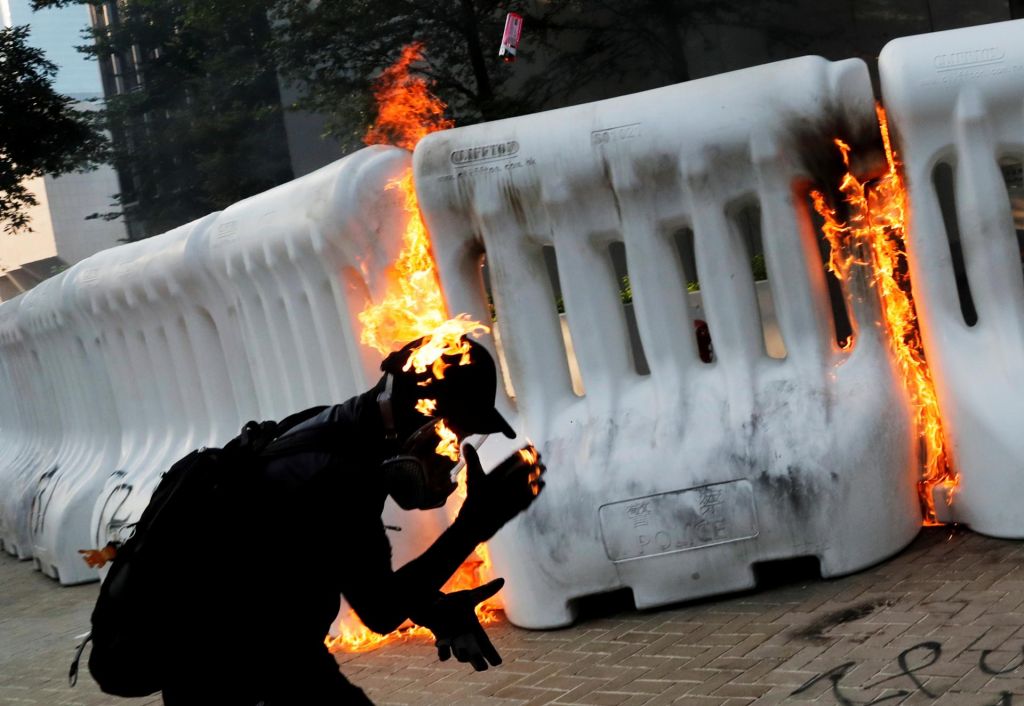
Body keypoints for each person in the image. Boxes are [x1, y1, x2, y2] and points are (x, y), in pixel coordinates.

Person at [158, 334, 544, 705]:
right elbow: (382, 611)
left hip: (267, 655)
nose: (449, 458)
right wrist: (474, 524)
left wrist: (433, 608)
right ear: (421, 416)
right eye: (449, 436)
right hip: (231, 675)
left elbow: (349, 570)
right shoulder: (337, 473)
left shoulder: (337, 431)